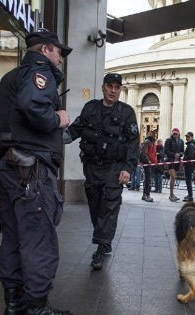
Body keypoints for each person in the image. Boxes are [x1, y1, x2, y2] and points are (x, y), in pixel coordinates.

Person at [0, 29, 73, 315]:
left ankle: (15, 304)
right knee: (38, 239)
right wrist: (57, 119)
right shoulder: (41, 72)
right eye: (59, 52)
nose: (61, 58)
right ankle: (36, 307)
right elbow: (34, 108)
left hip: (10, 167)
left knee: (13, 237)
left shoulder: (11, 77)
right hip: (31, 171)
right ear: (46, 50)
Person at [67, 73, 139, 271]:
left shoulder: (126, 112)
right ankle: (104, 239)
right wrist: (55, 137)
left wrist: (128, 168)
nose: (113, 90)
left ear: (120, 90)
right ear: (103, 87)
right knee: (95, 205)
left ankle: (100, 248)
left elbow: (133, 143)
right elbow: (76, 129)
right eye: (110, 86)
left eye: (117, 87)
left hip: (114, 168)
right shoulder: (90, 108)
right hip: (92, 166)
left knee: (109, 205)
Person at [164, 127, 184, 202]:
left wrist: (180, 154)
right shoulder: (168, 140)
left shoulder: (181, 141)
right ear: (172, 133)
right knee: (173, 176)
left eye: (176, 133)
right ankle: (171, 194)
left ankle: (172, 194)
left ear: (178, 133)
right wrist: (173, 155)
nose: (175, 135)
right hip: (170, 160)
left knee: (173, 178)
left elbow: (182, 151)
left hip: (177, 162)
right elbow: (166, 150)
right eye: (174, 133)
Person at [140, 128, 158, 202]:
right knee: (148, 180)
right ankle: (147, 195)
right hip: (148, 163)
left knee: (147, 179)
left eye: (155, 132)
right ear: (150, 133)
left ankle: (144, 194)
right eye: (153, 132)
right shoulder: (148, 141)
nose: (154, 134)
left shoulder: (153, 142)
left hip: (152, 163)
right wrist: (148, 160)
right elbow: (143, 151)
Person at [182, 131, 195, 202]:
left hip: (189, 166)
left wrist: (184, 159)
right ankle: (189, 195)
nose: (187, 138)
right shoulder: (192, 144)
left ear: (192, 137)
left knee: (188, 181)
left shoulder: (191, 145)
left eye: (188, 137)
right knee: (188, 181)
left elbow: (190, 156)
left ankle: (190, 196)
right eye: (186, 137)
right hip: (190, 165)